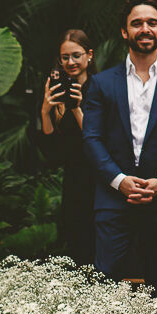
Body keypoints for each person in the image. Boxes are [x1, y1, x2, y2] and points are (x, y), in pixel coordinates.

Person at [80, 0, 157, 298]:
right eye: (136, 23)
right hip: (113, 200)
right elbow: (92, 138)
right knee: (104, 284)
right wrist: (120, 181)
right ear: (125, 32)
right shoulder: (101, 83)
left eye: (152, 23)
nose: (145, 28)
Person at [36, 29, 96, 266]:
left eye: (76, 55)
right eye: (65, 57)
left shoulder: (99, 87)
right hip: (72, 177)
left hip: (97, 176)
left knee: (95, 240)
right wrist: (45, 110)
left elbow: (96, 139)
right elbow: (51, 147)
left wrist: (76, 107)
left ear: (89, 55)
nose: (70, 62)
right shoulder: (58, 88)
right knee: (74, 239)